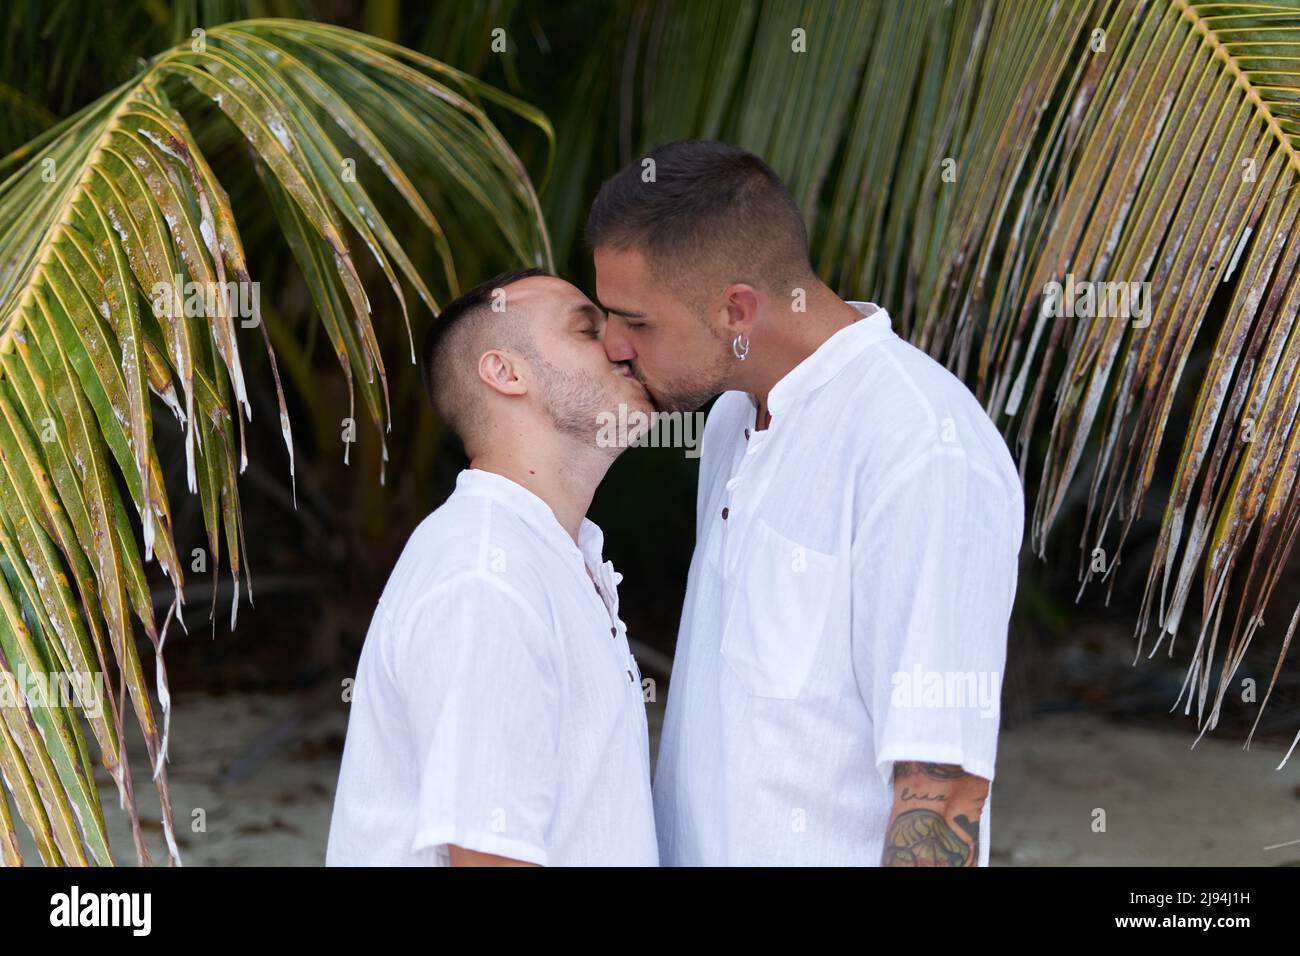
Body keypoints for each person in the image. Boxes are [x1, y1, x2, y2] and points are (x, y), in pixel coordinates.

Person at [587, 140, 1024, 866]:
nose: (610, 344)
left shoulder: (923, 448)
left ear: (735, 310)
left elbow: (942, 787)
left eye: (635, 321)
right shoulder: (732, 417)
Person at [326, 269, 659, 866]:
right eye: (588, 328)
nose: (623, 343)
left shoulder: (547, 555)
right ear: (506, 373)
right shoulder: (487, 575)